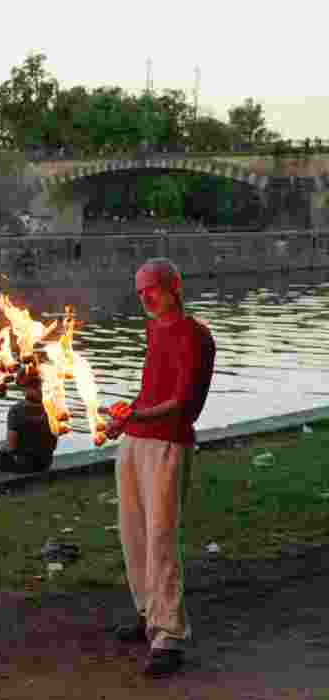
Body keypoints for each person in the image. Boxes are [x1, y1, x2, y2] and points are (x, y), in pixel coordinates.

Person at [104, 257, 216, 677]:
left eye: (150, 287)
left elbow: (183, 405)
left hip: (168, 443)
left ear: (174, 285)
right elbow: (152, 393)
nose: (145, 297)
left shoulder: (195, 335)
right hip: (137, 440)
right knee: (132, 530)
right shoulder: (155, 329)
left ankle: (168, 634)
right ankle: (148, 611)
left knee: (160, 535)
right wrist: (124, 416)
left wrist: (135, 417)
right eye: (139, 291)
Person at [0, 377, 56, 473]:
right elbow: (52, 443)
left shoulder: (17, 410)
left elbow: (12, 446)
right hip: (45, 463)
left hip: (23, 464)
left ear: (27, 390)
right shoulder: (52, 408)